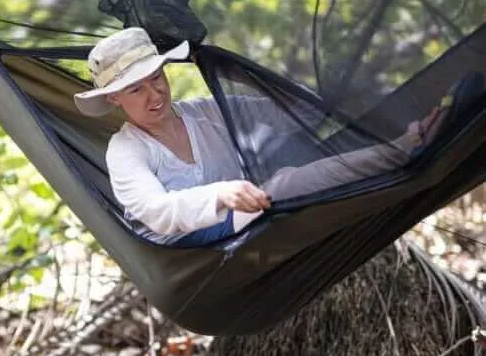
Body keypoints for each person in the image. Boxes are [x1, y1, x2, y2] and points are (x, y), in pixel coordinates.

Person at [74, 27, 478, 247]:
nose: (155, 94)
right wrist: (220, 194)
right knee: (283, 182)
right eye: (136, 90)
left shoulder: (205, 111)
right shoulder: (125, 150)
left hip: (248, 212)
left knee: (300, 163)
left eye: (157, 78)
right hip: (189, 248)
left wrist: (326, 86)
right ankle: (409, 149)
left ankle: (431, 124)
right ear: (113, 99)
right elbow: (156, 211)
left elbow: (290, 114)